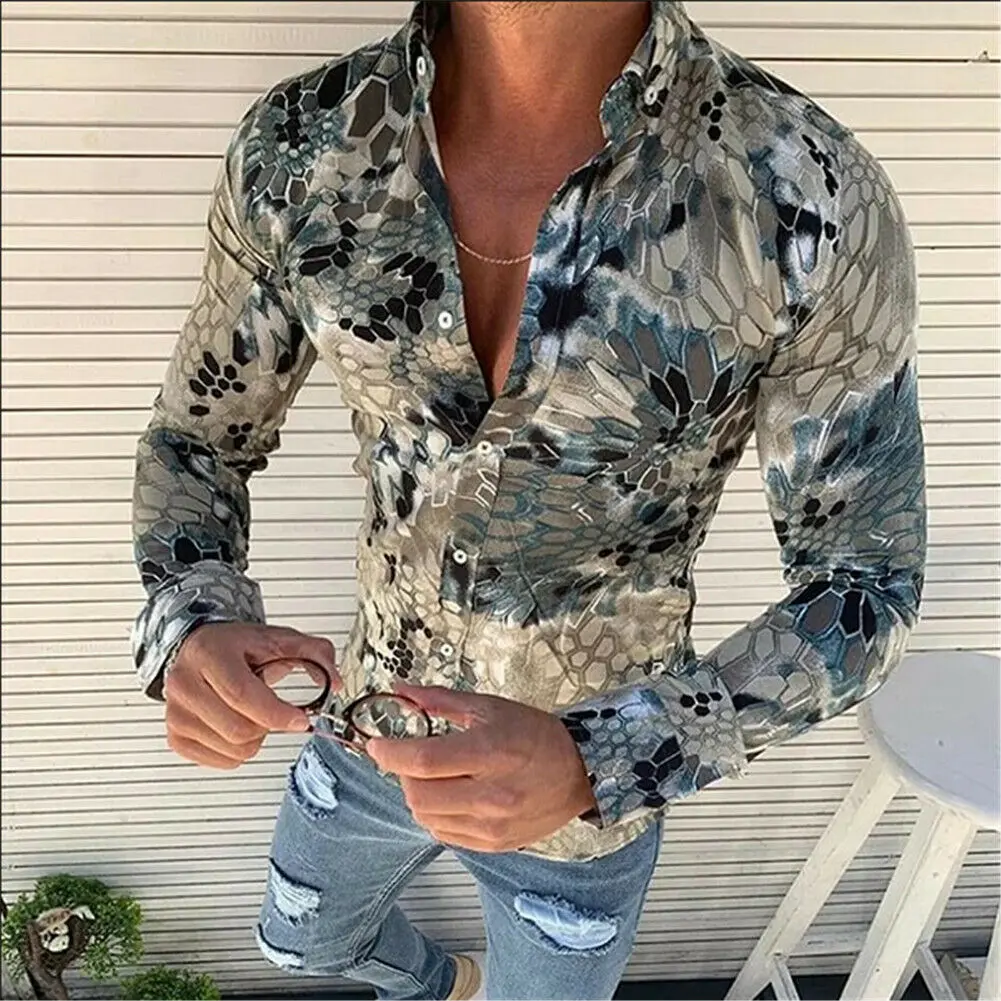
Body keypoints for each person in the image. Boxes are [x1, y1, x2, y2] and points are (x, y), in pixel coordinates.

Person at [129, 1, 927, 998]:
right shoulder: (301, 148)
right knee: (301, 946)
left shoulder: (803, 193)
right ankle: (441, 983)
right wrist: (193, 614)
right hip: (366, 729)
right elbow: (197, 438)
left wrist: (606, 757)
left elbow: (864, 584)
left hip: (581, 816)